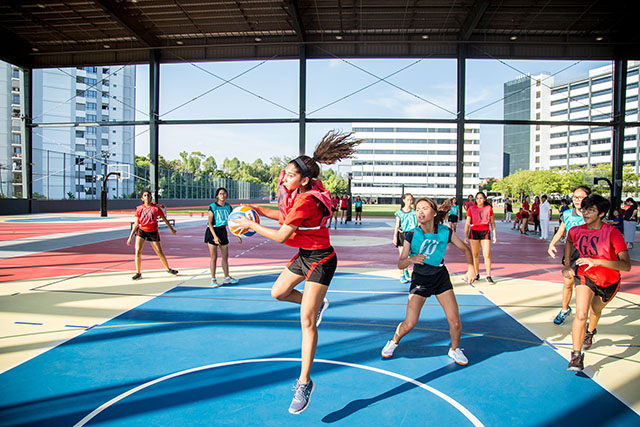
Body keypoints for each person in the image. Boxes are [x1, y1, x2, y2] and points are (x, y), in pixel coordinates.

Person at [233, 130, 362, 415]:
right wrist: (259, 211)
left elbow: (281, 235)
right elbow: (287, 217)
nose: (284, 179)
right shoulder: (301, 194)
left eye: (290, 175)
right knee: (277, 292)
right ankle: (316, 304)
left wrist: (251, 224)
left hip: (321, 260)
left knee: (306, 321)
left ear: (304, 179)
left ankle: (304, 382)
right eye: (286, 174)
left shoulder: (305, 199)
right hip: (305, 256)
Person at [381, 198, 476, 364]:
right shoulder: (412, 234)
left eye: (424, 208)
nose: (420, 212)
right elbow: (400, 264)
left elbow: (465, 249)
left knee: (455, 322)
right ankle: (394, 340)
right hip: (420, 279)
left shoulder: (445, 232)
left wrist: (471, 268)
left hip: (440, 277)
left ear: (433, 213)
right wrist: (412, 258)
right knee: (410, 323)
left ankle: (454, 349)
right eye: (418, 209)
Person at [564, 194, 631, 372]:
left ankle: (590, 331)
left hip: (609, 280)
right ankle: (576, 357)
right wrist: (567, 265)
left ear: (601, 213)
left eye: (591, 210)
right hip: (585, 276)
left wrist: (598, 261)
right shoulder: (576, 231)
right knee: (580, 313)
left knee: (595, 311)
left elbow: (626, 265)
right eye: (584, 209)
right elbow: (569, 241)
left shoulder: (612, 233)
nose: (585, 212)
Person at [547, 185, 591, 325]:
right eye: (575, 197)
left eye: (581, 197)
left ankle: (584, 314)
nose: (577, 200)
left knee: (586, 286)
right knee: (568, 282)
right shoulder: (567, 215)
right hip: (571, 252)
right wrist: (551, 244)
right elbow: (561, 231)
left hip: (589, 253)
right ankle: (565, 309)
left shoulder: (592, 214)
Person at [126, 190, 178, 280]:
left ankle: (168, 268)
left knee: (159, 252)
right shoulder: (139, 209)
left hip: (153, 232)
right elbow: (136, 223)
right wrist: (130, 237)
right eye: (145, 195)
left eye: (148, 195)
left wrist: (172, 229)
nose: (147, 197)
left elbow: (164, 219)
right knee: (138, 251)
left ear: (151, 197)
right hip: (142, 231)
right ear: (142, 198)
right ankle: (138, 273)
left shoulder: (156, 209)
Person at [205, 187, 241, 287]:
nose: (223, 195)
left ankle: (227, 277)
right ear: (217, 196)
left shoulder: (228, 207)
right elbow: (209, 223)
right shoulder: (213, 206)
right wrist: (215, 237)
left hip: (223, 231)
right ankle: (213, 279)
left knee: (225, 257)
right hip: (213, 231)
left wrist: (237, 234)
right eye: (221, 194)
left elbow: (232, 221)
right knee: (214, 257)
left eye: (224, 193)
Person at [464, 191, 497, 284]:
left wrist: (494, 234)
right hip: (474, 232)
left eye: (481, 198)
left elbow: (492, 222)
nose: (479, 200)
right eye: (477, 198)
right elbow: (467, 223)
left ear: (484, 199)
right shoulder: (471, 209)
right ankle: (477, 273)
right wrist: (465, 235)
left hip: (485, 231)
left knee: (487, 254)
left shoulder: (488, 208)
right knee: (475, 255)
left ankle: (488, 275)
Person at [393, 193, 417, 283]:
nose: (409, 202)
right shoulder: (399, 213)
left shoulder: (414, 212)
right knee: (403, 256)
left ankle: (407, 268)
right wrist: (395, 236)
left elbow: (418, 225)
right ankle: (402, 275)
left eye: (411, 200)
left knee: (412, 255)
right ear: (403, 200)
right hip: (402, 235)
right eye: (407, 200)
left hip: (412, 234)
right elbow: (397, 225)